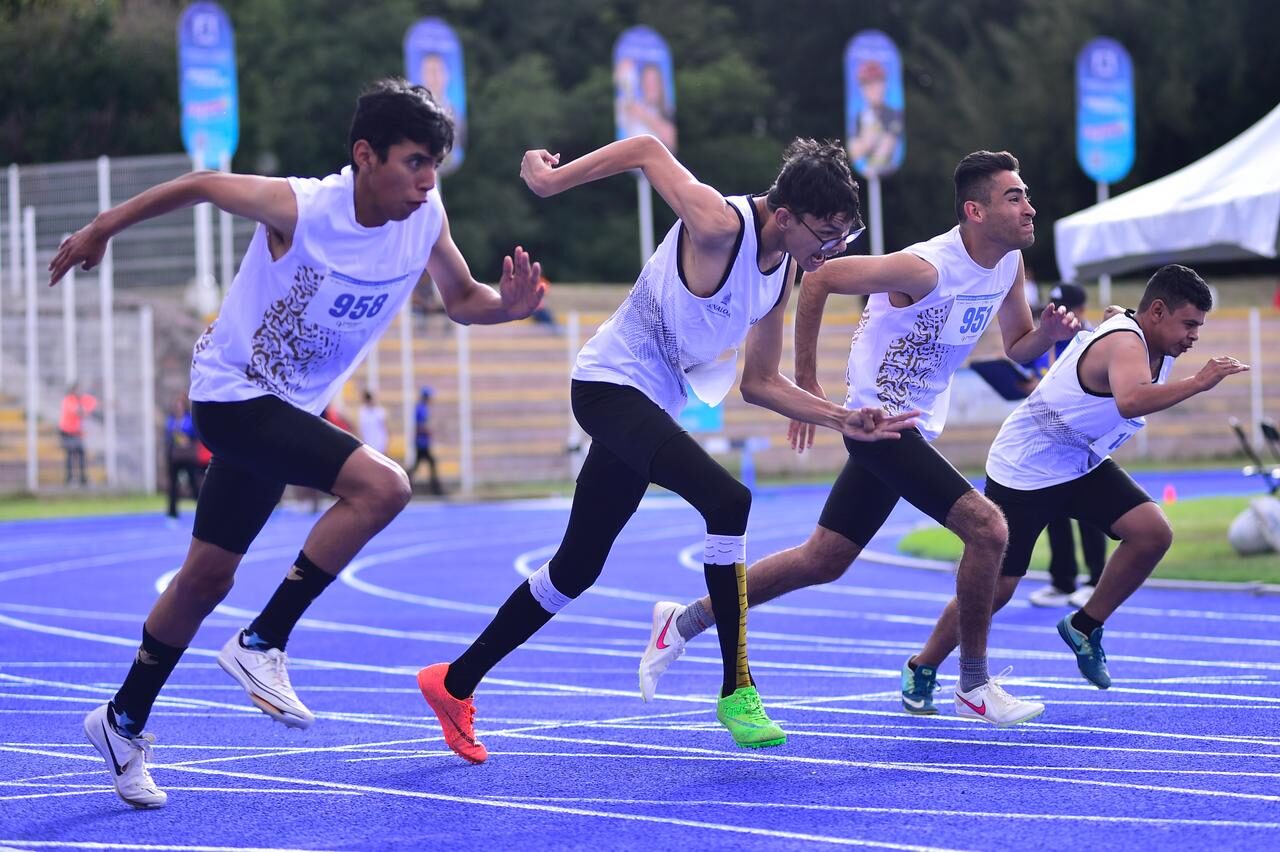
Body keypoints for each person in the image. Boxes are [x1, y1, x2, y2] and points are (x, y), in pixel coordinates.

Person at [47, 77, 545, 809]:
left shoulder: (425, 215)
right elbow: (204, 184)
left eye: (434, 164)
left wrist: (512, 308)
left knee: (205, 579)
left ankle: (121, 722)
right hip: (231, 397)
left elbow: (463, 297)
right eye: (412, 162)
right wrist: (102, 228)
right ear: (365, 156)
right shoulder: (303, 208)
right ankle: (261, 641)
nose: (426, 179)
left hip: (283, 412)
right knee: (384, 486)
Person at [417, 134, 918, 764]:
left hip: (650, 404)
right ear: (785, 217)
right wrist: (551, 181)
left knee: (576, 568)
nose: (834, 249)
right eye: (827, 233)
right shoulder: (717, 222)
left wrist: (845, 418)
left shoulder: (785, 269)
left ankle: (453, 682)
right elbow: (648, 149)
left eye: (845, 234)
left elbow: (760, 383)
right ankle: (738, 689)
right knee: (727, 499)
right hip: (607, 386)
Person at [641, 150, 1080, 728]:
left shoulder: (1007, 267)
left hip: (914, 427)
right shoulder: (924, 268)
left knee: (823, 560)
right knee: (989, 527)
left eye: (1025, 195)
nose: (1030, 207)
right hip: (876, 425)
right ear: (975, 211)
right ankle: (972, 683)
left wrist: (1044, 335)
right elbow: (818, 277)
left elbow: (1017, 342)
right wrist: (807, 380)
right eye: (1014, 197)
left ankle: (685, 620)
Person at [907, 264, 1246, 695]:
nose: (1194, 336)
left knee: (1151, 532)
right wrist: (1199, 382)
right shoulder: (1126, 341)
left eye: (1199, 326)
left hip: (1079, 461)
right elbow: (1130, 400)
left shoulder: (1137, 335)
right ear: (1157, 311)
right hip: (1026, 470)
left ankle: (1084, 625)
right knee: (998, 589)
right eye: (1189, 324)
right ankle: (923, 665)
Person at [1028, 282, 1108, 608]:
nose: (1060, 314)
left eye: (1066, 308)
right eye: (1055, 307)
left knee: (1090, 509)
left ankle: (1096, 580)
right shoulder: (1049, 339)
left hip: (1085, 436)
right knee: (1054, 509)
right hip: (1048, 437)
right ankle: (1062, 581)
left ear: (1082, 310)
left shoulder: (1094, 341)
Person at [846, 60, 904, 177]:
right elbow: (853, 151)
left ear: (884, 84)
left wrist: (869, 141)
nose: (872, 89)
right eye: (867, 84)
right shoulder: (860, 117)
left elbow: (887, 145)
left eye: (877, 82)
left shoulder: (894, 115)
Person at [164, 396, 207, 520]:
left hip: (188, 457)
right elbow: (168, 435)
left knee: (193, 482)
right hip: (175, 457)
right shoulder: (171, 420)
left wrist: (186, 439)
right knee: (173, 485)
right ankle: (172, 512)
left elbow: (195, 434)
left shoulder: (189, 419)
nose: (177, 408)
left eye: (179, 405)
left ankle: (202, 509)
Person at [58, 382, 97, 486]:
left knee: (81, 454)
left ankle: (82, 478)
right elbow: (78, 411)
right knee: (70, 454)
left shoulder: (80, 399)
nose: (80, 392)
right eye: (77, 389)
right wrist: (86, 410)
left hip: (76, 432)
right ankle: (69, 479)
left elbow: (94, 402)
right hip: (67, 432)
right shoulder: (68, 400)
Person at [408, 386, 443, 495]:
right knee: (428, 463)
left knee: (419, 465)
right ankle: (436, 489)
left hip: (422, 441)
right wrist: (429, 432)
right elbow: (421, 426)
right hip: (421, 442)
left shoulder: (421, 408)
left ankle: (435, 488)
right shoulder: (422, 409)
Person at [357, 388, 388, 455]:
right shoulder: (362, 411)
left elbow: (385, 428)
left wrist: (385, 444)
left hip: (379, 443)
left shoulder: (379, 411)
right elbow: (361, 428)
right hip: (368, 443)